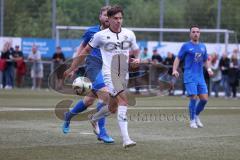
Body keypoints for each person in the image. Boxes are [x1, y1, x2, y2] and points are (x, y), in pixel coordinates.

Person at [64, 5, 140, 148]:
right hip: (98, 69)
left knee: (110, 106)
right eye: (112, 17)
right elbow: (83, 49)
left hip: (122, 73)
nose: (117, 21)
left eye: (120, 18)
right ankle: (123, 138)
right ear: (103, 18)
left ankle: (90, 117)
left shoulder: (128, 34)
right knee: (122, 100)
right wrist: (72, 68)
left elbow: (134, 50)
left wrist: (137, 59)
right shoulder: (95, 34)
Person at [62, 6, 115, 143]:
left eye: (110, 15)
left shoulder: (116, 33)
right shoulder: (92, 31)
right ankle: (102, 132)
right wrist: (74, 66)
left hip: (108, 69)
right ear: (100, 17)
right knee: (105, 95)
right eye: (105, 15)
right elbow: (82, 48)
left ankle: (68, 116)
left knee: (89, 100)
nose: (107, 17)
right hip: (93, 66)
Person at [172, 25, 213, 129]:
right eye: (193, 32)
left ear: (200, 34)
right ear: (190, 34)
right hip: (189, 76)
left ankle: (196, 115)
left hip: (200, 76)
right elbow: (178, 58)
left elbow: (206, 60)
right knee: (193, 97)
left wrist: (209, 69)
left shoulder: (203, 46)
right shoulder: (186, 46)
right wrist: (174, 70)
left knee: (204, 99)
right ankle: (192, 121)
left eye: (197, 32)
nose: (195, 33)